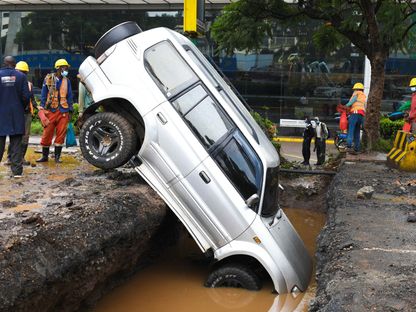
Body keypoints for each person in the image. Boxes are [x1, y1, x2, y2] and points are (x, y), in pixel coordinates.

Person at [37, 58, 73, 163]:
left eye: (66, 68)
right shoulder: (48, 79)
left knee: (61, 134)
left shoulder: (67, 81)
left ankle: (57, 158)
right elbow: (43, 94)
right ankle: (44, 157)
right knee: (47, 133)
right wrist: (42, 108)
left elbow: (69, 96)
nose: (66, 69)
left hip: (63, 111)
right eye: (65, 68)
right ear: (59, 68)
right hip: (50, 110)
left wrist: (70, 110)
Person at [0, 56, 30, 177]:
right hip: (16, 115)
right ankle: (17, 172)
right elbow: (26, 97)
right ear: (14, 64)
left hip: (1, 115)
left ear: (4, 63)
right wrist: (20, 107)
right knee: (16, 144)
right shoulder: (21, 77)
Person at [5, 61, 37, 166]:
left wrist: (37, 106)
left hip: (26, 113)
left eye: (24, 72)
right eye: (20, 72)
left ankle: (21, 157)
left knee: (25, 137)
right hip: (16, 113)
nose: (22, 74)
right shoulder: (11, 84)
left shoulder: (29, 85)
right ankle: (10, 158)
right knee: (14, 135)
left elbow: (31, 99)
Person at [346, 82, 366, 154]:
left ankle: (348, 146)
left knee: (351, 130)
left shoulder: (356, 93)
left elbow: (351, 103)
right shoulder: (363, 96)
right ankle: (357, 148)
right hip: (361, 116)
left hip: (354, 114)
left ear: (356, 89)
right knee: (357, 132)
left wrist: (345, 106)